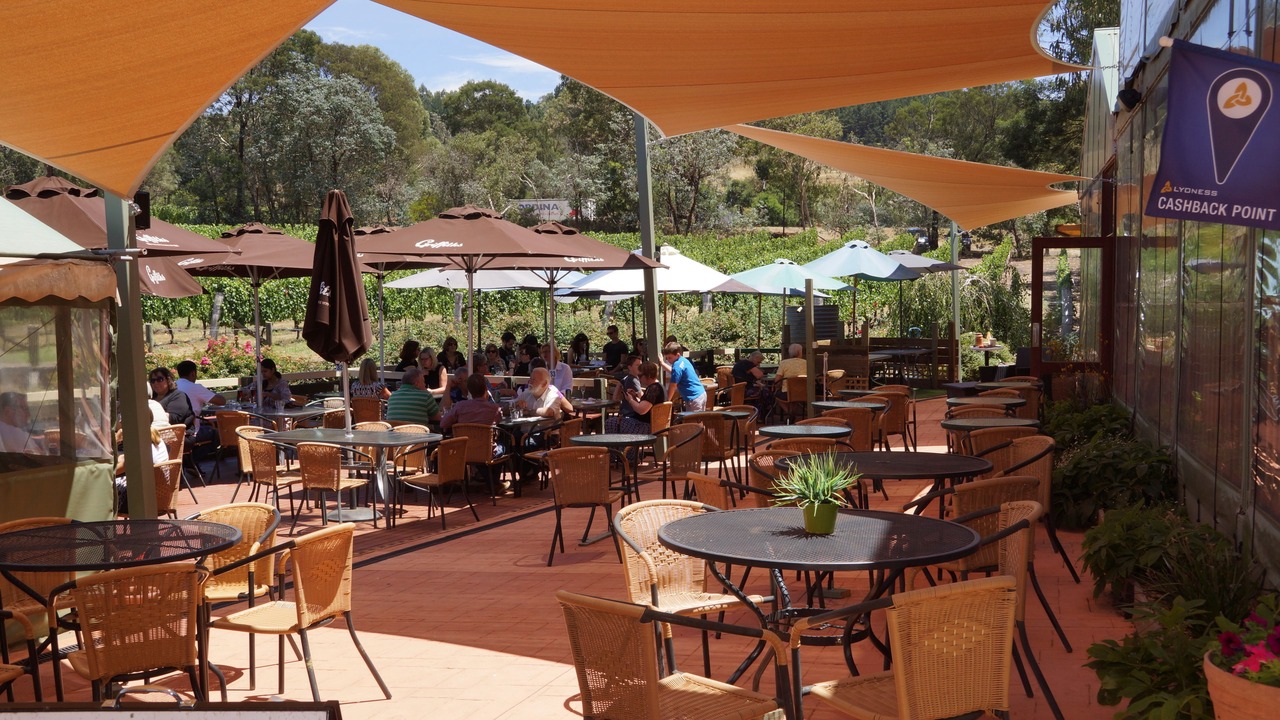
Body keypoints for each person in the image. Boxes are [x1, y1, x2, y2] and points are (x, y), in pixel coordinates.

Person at [174, 360, 221, 443]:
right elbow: (221, 401)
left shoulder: (173, 386)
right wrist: (211, 393)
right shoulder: (195, 387)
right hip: (191, 432)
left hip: (175, 432)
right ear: (193, 373)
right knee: (218, 432)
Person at [616, 362, 665, 435]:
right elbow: (646, 404)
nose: (638, 378)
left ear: (648, 375)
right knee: (617, 421)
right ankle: (624, 446)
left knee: (612, 422)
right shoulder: (658, 386)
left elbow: (641, 410)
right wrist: (635, 396)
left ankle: (622, 446)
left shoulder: (653, 389)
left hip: (646, 427)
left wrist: (630, 400)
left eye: (640, 375)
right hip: (653, 425)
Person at [663, 341, 706, 412]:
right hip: (700, 394)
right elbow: (675, 373)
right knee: (697, 421)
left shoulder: (677, 366)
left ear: (677, 355)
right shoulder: (684, 360)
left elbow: (673, 385)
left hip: (693, 397)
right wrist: (662, 363)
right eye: (667, 358)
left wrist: (667, 400)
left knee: (693, 422)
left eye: (670, 358)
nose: (668, 360)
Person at [606, 355, 644, 433]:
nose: (641, 368)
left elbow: (615, 398)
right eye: (638, 365)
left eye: (641, 365)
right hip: (633, 415)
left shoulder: (625, 378)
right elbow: (642, 398)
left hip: (624, 412)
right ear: (630, 367)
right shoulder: (633, 380)